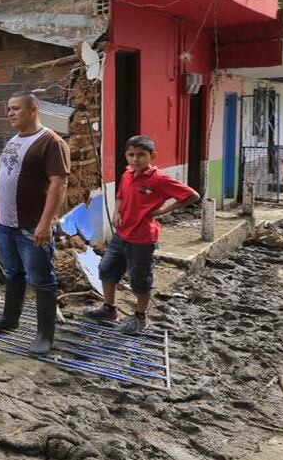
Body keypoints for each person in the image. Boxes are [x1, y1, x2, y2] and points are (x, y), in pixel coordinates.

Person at [84, 135, 199, 334]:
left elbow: (192, 195)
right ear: (126, 155)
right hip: (121, 234)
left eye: (141, 155)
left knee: (140, 279)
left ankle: (140, 318)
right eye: (131, 155)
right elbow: (120, 196)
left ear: (152, 156)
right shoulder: (127, 174)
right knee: (106, 268)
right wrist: (117, 211)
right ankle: (109, 309)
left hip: (143, 238)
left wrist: (162, 211)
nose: (135, 159)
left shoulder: (159, 179)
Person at [0, 91, 70, 354]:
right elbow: (5, 178)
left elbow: (59, 184)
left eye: (16, 109)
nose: (9, 113)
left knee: (42, 280)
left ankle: (45, 335)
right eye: (8, 108)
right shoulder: (13, 140)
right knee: (12, 273)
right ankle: (10, 318)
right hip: (6, 225)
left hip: (31, 226)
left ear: (34, 109)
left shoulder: (51, 142)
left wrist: (46, 224)